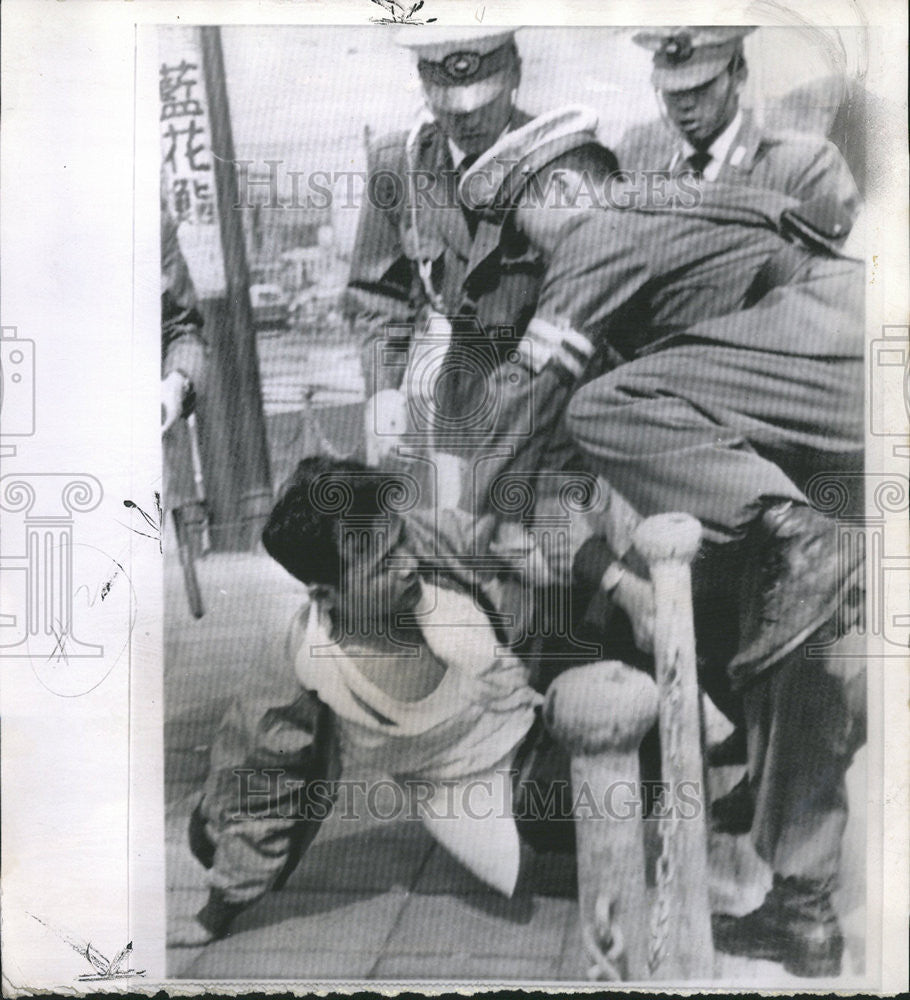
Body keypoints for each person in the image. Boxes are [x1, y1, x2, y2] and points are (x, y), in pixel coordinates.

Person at [461, 117, 864, 976]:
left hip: (836, 360)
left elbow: (540, 400)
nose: (531, 263)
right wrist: (619, 583)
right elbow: (557, 480)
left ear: (562, 191)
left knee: (601, 408)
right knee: (792, 640)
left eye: (524, 230)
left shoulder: (608, 226)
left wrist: (479, 513)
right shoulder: (654, 265)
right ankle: (804, 910)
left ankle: (795, 544)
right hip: (822, 432)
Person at [168, 456, 646, 948]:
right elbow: (262, 788)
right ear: (325, 594)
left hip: (537, 694)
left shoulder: (421, 542)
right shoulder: (308, 670)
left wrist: (616, 582)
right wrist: (217, 909)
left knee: (629, 602)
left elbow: (523, 526)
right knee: (588, 786)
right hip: (483, 784)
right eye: (382, 565)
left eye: (399, 540)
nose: (406, 563)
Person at [343, 27, 550, 470]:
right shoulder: (399, 164)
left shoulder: (559, 160)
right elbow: (380, 298)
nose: (467, 119)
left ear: (515, 71)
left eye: (482, 100)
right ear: (424, 85)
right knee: (457, 532)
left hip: (552, 395)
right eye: (450, 103)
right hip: (462, 400)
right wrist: (383, 392)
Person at [617, 27, 859, 206]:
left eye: (701, 87)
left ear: (739, 77)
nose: (686, 104)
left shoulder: (805, 165)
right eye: (673, 91)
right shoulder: (652, 176)